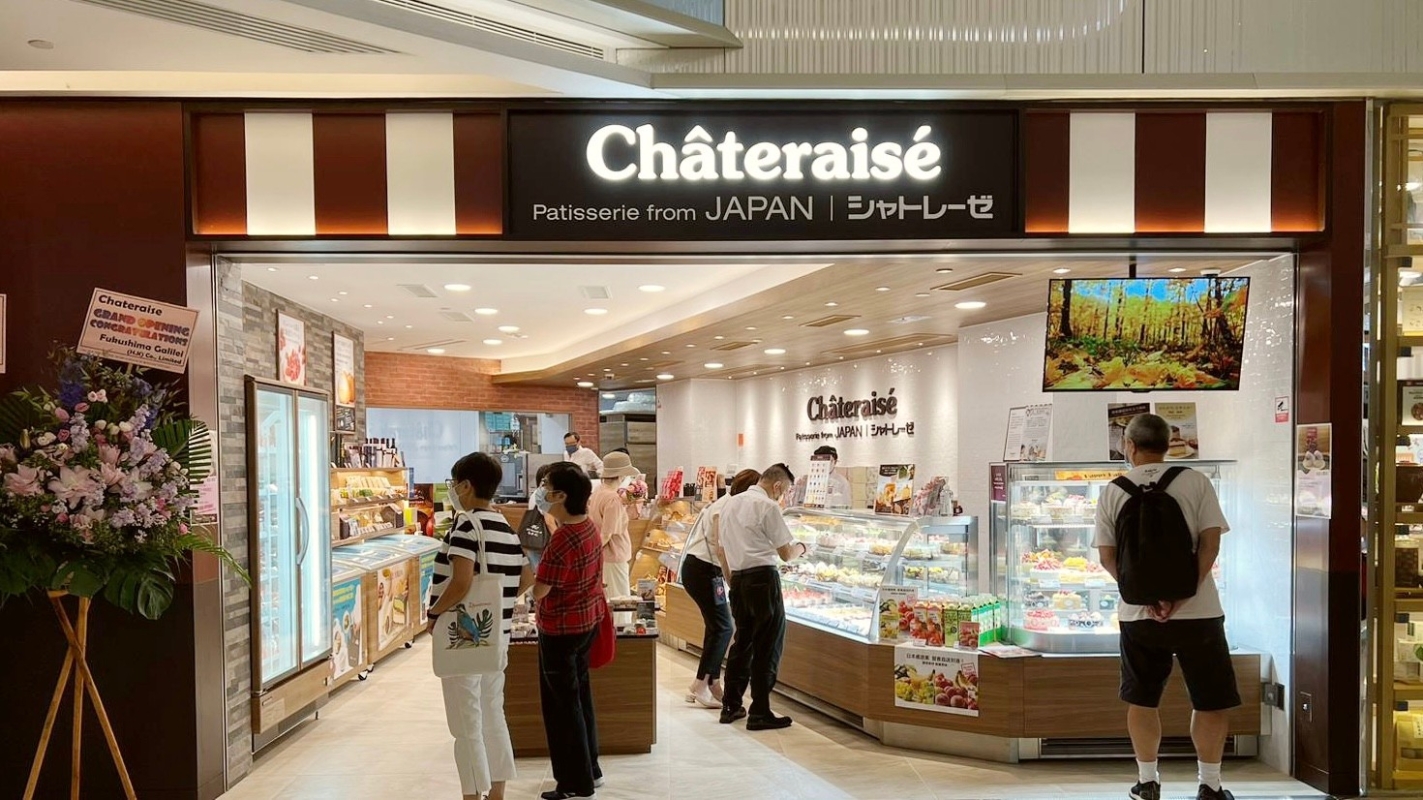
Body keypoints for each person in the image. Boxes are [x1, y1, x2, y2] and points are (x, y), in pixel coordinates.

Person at [1093, 414, 1236, 800]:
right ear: (1169, 444)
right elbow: (1211, 545)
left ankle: (1147, 782)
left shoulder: (1113, 490)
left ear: (1130, 446)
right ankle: (1210, 785)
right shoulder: (1196, 481)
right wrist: (1183, 594)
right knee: (1210, 698)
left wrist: (1145, 596)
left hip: (1138, 616)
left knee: (1142, 699)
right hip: (1200, 612)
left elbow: (1107, 557)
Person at [427, 452, 536, 800]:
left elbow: (460, 582)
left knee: (466, 724)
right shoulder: (504, 526)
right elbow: (527, 577)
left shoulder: (465, 526)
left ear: (465, 485)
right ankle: (497, 793)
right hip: (496, 636)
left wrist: (434, 613)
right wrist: (498, 602)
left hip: (464, 638)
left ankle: (473, 795)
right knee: (492, 715)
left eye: (454, 483)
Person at [532, 463, 608, 800]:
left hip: (560, 630)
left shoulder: (562, 538)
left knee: (562, 708)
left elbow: (541, 589)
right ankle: (591, 769)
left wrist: (528, 585)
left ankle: (575, 783)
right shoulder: (588, 527)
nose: (542, 492)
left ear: (561, 495)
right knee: (579, 699)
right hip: (586, 622)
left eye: (546, 486)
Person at [716, 463, 809, 730]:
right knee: (768, 646)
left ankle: (730, 705)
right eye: (784, 491)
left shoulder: (729, 505)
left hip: (739, 579)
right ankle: (760, 711)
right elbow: (786, 553)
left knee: (742, 643)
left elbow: (722, 549)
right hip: (763, 580)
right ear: (777, 486)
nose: (782, 497)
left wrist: (732, 581)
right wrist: (803, 547)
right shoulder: (768, 506)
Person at [679, 468, 761, 708]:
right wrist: (732, 580)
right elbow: (722, 549)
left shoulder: (727, 503)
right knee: (724, 628)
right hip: (703, 570)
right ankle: (700, 685)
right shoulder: (725, 509)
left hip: (703, 569)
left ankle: (712, 681)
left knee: (717, 627)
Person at [588, 451, 638, 598]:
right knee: (620, 599)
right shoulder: (613, 498)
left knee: (607, 598)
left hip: (604, 557)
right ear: (622, 475)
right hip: (614, 555)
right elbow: (607, 534)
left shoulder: (598, 491)